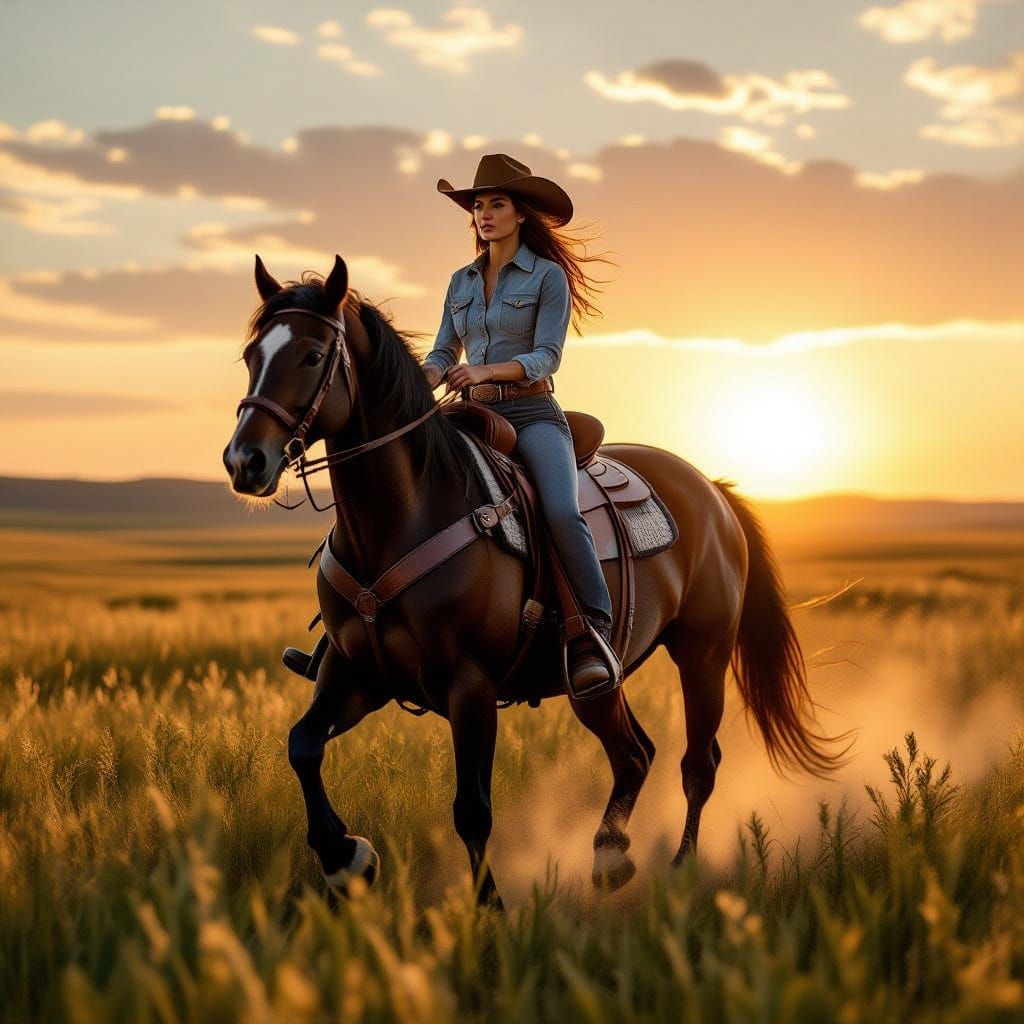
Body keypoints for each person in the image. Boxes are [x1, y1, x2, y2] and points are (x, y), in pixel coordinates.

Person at [420, 152, 621, 697]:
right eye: (478, 205)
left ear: (521, 214)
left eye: (496, 204)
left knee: (559, 509)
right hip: (469, 413)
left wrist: (483, 368)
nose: (485, 214)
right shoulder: (459, 281)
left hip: (531, 412)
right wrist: (425, 376)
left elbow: (547, 357)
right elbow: (443, 349)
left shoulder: (548, 276)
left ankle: (592, 630)